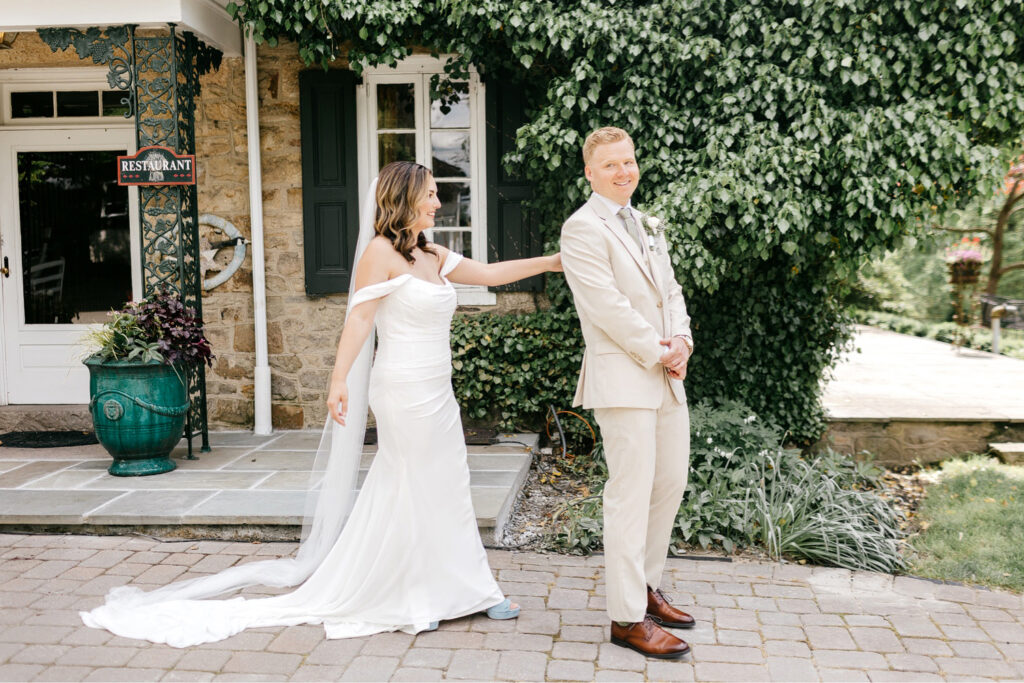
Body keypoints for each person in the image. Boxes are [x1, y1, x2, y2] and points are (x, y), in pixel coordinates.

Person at [80, 160, 561, 647]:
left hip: (438, 391)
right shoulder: (379, 254)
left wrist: (550, 262)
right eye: (432, 195)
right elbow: (357, 322)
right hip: (402, 390)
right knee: (417, 482)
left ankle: (471, 589)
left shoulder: (432, 254)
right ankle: (415, 595)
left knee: (448, 481)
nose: (439, 202)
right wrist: (338, 381)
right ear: (405, 199)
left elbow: (494, 273)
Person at [560, 127, 695, 659]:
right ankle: (625, 618)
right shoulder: (581, 229)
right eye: (611, 165)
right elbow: (605, 306)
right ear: (590, 173)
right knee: (629, 496)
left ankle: (646, 586)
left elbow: (671, 291)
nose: (624, 171)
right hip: (624, 375)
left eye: (629, 161)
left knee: (669, 485)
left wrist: (682, 339)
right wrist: (659, 349)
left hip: (667, 373)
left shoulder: (647, 223)